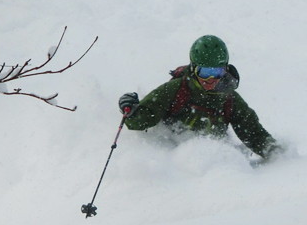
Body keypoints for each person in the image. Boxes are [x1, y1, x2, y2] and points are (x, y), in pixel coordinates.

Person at [119, 35, 283, 161]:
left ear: (225, 69)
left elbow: (254, 134)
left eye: (216, 72)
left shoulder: (229, 99)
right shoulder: (176, 89)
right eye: (204, 72)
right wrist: (130, 109)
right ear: (193, 67)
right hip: (176, 162)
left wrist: (279, 157)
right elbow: (140, 120)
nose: (210, 79)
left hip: (214, 164)